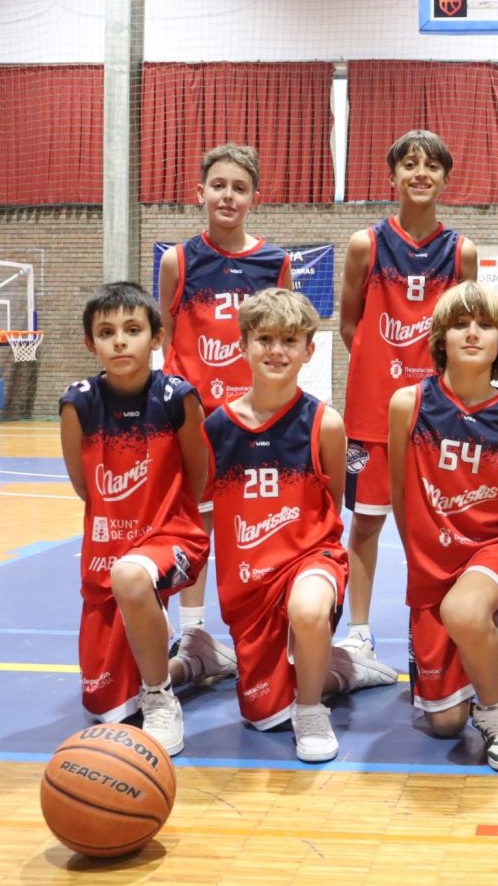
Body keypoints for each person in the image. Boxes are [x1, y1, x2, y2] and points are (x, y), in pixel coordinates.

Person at [203, 288, 397, 763]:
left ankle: (311, 711)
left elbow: (330, 505)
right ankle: (345, 669)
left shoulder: (324, 423)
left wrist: (310, 560)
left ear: (309, 350)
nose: (277, 350)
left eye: (289, 340)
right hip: (249, 580)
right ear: (243, 345)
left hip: (310, 561)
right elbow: (206, 512)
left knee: (308, 611)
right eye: (265, 339)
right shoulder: (217, 428)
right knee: (264, 712)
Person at [59, 282, 215, 756]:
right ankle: (196, 661)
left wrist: (156, 524)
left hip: (175, 538)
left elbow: (198, 476)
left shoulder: (176, 397)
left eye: (132, 329)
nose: (120, 341)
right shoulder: (78, 404)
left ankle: (161, 697)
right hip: (107, 549)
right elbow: (84, 487)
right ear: (91, 344)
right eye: (106, 333)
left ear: (157, 337)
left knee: (131, 574)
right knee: (103, 703)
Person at [338, 130, 477, 660]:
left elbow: (465, 331)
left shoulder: (460, 252)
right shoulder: (366, 245)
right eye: (410, 164)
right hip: (372, 413)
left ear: (446, 177)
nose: (421, 173)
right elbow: (351, 325)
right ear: (392, 175)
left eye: (432, 166)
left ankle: (442, 624)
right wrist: (385, 368)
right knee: (365, 523)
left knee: (442, 526)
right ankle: (359, 629)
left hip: (437, 415)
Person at [158, 142, 294, 679]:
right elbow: (168, 337)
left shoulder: (274, 262)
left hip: (252, 419)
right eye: (218, 186)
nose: (228, 196)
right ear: (200, 193)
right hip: (194, 419)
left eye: (239, 188)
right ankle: (192, 632)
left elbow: (283, 335)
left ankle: (262, 628)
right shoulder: (178, 260)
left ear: (255, 198)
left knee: (256, 525)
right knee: (196, 525)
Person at [388, 282, 498, 772]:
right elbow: (401, 494)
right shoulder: (409, 404)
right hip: (432, 564)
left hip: (495, 549)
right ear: (440, 338)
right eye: (459, 324)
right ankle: (493, 677)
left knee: (466, 610)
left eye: (484, 325)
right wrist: (420, 560)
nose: (472, 333)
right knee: (446, 724)